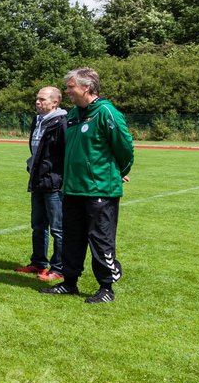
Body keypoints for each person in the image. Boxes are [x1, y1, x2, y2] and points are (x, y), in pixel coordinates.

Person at [42, 67, 134, 303]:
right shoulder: (73, 114)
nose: (67, 90)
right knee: (73, 238)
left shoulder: (106, 112)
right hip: (73, 188)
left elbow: (125, 149)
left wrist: (115, 173)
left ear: (87, 87)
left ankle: (106, 288)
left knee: (100, 239)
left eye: (71, 86)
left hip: (100, 189)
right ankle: (69, 282)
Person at [17, 86, 66, 281]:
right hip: (38, 180)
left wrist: (61, 179)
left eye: (42, 99)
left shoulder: (62, 122)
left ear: (55, 102)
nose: (38, 102)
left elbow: (66, 153)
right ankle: (38, 263)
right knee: (38, 225)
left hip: (54, 182)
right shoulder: (38, 120)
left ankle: (59, 268)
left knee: (58, 228)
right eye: (37, 99)